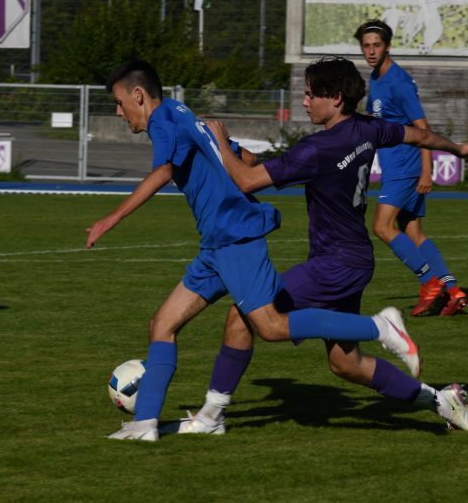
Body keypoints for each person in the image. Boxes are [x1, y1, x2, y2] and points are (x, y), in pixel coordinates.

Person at [86, 58, 423, 442]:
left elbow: (163, 171)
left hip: (235, 238)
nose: (118, 111)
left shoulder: (163, 119)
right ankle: (145, 425)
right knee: (162, 324)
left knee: (271, 326)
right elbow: (241, 156)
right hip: (216, 243)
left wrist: (111, 218)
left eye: (118, 102)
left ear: (139, 95)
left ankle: (378, 327)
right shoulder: (183, 112)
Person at [177, 56, 468, 435]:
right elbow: (420, 136)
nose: (304, 102)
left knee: (244, 316)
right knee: (346, 365)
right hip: (353, 261)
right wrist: (458, 149)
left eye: (311, 95)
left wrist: (220, 140)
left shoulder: (316, 149)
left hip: (335, 263)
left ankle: (212, 416)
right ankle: (441, 400)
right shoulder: (367, 129)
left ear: (336, 98)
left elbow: (245, 181)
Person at [355, 19, 468, 317]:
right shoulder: (376, 77)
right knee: (412, 229)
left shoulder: (399, 82)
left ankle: (428, 282)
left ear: (388, 46)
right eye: (366, 46)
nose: (370, 51)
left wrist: (426, 171)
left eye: (376, 45)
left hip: (406, 164)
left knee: (381, 226)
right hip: (398, 165)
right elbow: (377, 117)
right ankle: (452, 291)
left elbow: (423, 128)